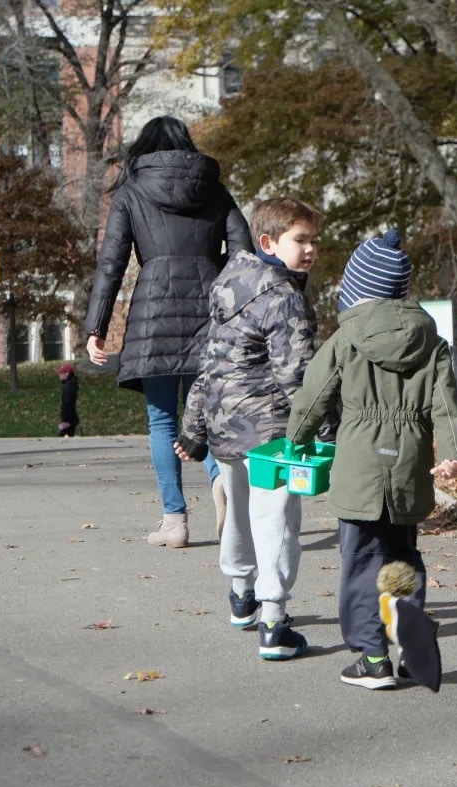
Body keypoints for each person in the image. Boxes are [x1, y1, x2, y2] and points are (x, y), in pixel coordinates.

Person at [285, 229, 457, 689]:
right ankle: (408, 644)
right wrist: (455, 455)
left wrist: (297, 438)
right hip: (409, 464)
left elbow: (314, 395)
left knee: (362, 561)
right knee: (403, 554)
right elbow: (447, 405)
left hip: (360, 466)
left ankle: (372, 658)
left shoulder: (346, 338)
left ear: (358, 290)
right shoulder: (431, 342)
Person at [84, 115, 251, 549]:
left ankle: (174, 521)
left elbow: (112, 262)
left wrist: (96, 326)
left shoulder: (132, 189)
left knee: (161, 420)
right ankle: (220, 482)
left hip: (153, 311)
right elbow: (243, 250)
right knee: (210, 414)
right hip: (210, 311)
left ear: (146, 148)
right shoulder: (213, 188)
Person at [174, 197, 323, 662]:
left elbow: (210, 363)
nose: (311, 249)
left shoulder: (229, 284)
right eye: (300, 240)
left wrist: (194, 425)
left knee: (238, 509)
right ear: (268, 242)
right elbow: (298, 375)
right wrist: (327, 427)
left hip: (224, 424)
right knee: (276, 519)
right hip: (271, 427)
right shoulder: (284, 297)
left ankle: (242, 594)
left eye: (314, 240)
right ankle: (274, 620)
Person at [57, 363, 80, 437]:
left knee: (62, 437)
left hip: (69, 419)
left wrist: (65, 420)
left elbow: (67, 403)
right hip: (72, 418)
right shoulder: (71, 385)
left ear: (67, 373)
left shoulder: (68, 387)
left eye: (61, 372)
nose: (59, 375)